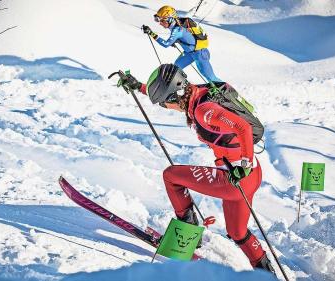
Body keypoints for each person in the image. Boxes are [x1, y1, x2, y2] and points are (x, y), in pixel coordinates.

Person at [116, 64, 275, 273]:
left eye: (166, 101)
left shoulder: (204, 110)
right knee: (237, 232)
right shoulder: (198, 92)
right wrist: (139, 86)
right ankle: (266, 273)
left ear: (175, 96)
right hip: (251, 175)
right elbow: (169, 98)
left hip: (235, 179)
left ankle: (186, 235)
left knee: (171, 176)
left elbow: (242, 127)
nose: (166, 106)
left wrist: (243, 164)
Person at [142, 5, 222, 83]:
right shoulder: (177, 25)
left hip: (200, 53)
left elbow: (166, 44)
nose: (160, 23)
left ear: (170, 19)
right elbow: (185, 37)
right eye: (158, 20)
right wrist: (176, 41)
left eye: (162, 20)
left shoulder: (177, 29)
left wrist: (151, 33)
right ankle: (182, 88)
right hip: (189, 54)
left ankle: (228, 92)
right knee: (176, 68)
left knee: (211, 78)